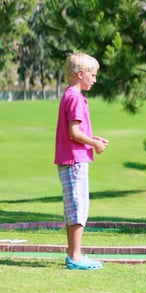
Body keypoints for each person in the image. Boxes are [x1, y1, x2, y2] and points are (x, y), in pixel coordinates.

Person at [54, 52, 109, 270]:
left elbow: (76, 132)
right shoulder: (75, 98)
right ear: (80, 74)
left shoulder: (69, 95)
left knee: (74, 208)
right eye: (93, 75)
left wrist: (92, 139)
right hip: (75, 162)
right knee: (78, 209)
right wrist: (94, 144)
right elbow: (74, 133)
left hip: (71, 159)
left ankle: (74, 253)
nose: (95, 79)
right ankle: (75, 257)